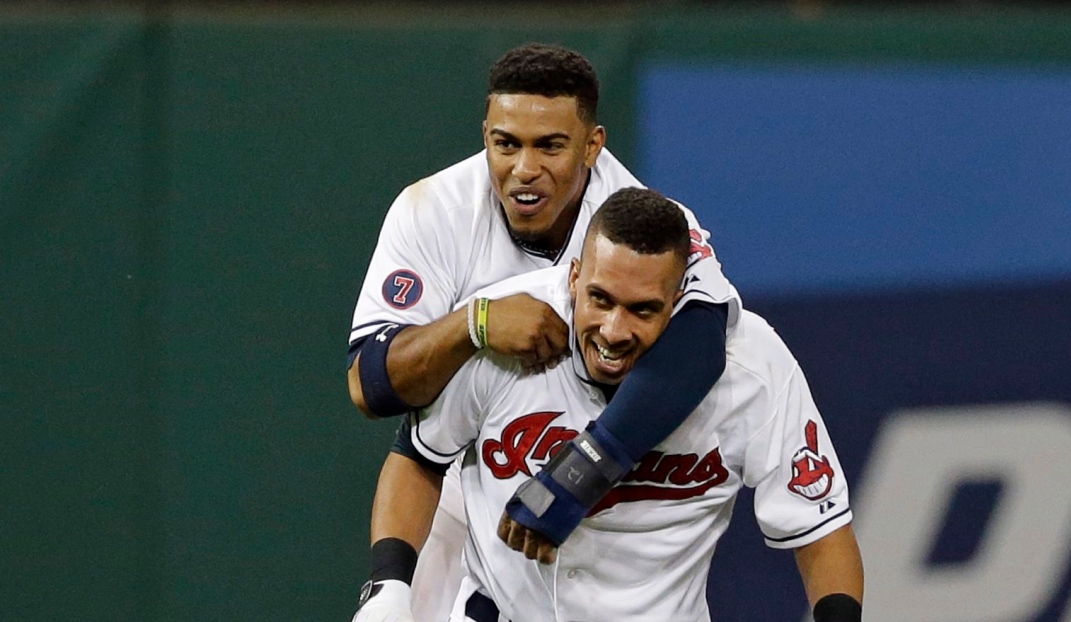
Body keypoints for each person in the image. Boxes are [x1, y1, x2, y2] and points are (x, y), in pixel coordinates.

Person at [346, 44, 740, 621]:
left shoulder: (638, 219)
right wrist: (474, 323)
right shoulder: (434, 209)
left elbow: (702, 338)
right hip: (470, 476)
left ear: (593, 144)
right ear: (485, 134)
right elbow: (373, 386)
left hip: (606, 479)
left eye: (550, 145)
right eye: (506, 143)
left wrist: (582, 472)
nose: (524, 168)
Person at [359, 188, 864, 622]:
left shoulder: (749, 366)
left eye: (643, 309)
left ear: (679, 301)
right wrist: (389, 583)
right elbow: (420, 456)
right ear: (574, 276)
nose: (615, 330)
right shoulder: (512, 328)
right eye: (600, 299)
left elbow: (819, 526)